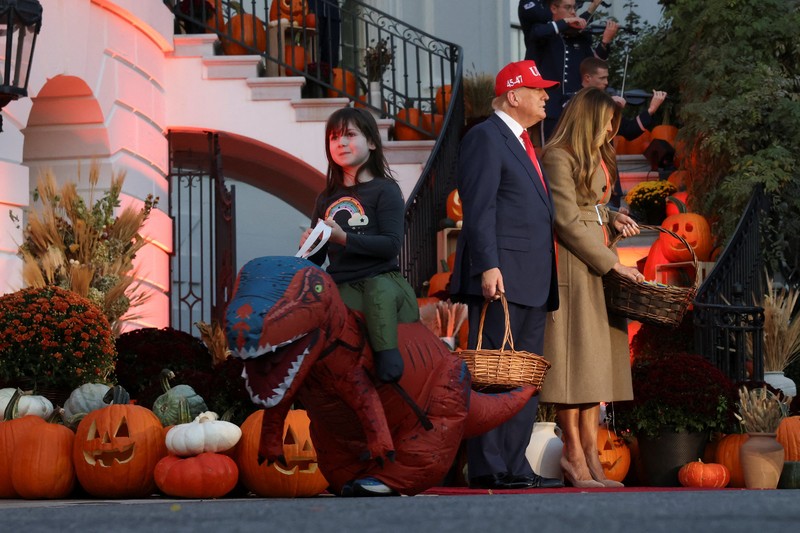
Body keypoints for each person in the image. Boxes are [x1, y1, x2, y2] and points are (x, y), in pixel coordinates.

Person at [450, 60, 564, 490]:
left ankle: (515, 467)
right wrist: (488, 265)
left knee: (522, 377)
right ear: (513, 95)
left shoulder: (523, 141)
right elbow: (479, 208)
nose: (546, 96)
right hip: (502, 276)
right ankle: (489, 467)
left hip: (532, 279)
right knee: (495, 374)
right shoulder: (486, 137)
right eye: (539, 89)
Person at [539, 86, 644, 488]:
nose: (609, 131)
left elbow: (592, 206)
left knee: (591, 366)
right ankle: (574, 456)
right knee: (573, 363)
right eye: (605, 123)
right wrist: (613, 264)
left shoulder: (594, 155)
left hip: (595, 258)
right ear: (587, 120)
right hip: (573, 264)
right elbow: (565, 219)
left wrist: (614, 216)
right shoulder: (557, 156)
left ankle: (589, 455)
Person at [300, 107, 418, 384]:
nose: (340, 143)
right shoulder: (326, 197)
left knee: (378, 291)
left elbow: (391, 245)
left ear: (372, 143)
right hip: (343, 285)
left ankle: (388, 359)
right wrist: (310, 246)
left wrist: (345, 238)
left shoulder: (385, 190)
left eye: (349, 135)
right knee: (313, 301)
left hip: (385, 281)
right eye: (333, 138)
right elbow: (317, 261)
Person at [579, 57, 668, 209]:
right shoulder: (575, 101)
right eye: (602, 78)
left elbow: (629, 131)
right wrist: (608, 107)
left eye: (607, 77)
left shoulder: (607, 103)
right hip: (585, 170)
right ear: (587, 78)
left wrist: (651, 110)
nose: (606, 82)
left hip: (608, 171)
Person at [525, 0, 619, 142]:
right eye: (568, 8)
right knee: (552, 154)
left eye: (574, 8)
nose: (574, 12)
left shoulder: (580, 38)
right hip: (552, 108)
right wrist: (566, 22)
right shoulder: (543, 32)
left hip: (577, 107)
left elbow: (593, 65)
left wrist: (605, 42)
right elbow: (538, 33)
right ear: (554, 8)